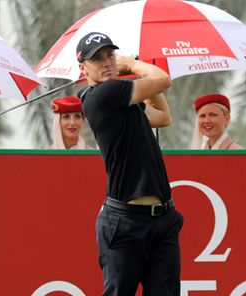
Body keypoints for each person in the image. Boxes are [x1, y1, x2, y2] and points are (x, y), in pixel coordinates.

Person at [76, 32, 183, 295]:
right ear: (83, 68)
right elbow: (162, 80)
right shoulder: (104, 94)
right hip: (125, 222)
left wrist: (135, 76)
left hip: (163, 219)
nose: (107, 62)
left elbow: (162, 117)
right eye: (97, 59)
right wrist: (133, 64)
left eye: (110, 55)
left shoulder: (122, 101)